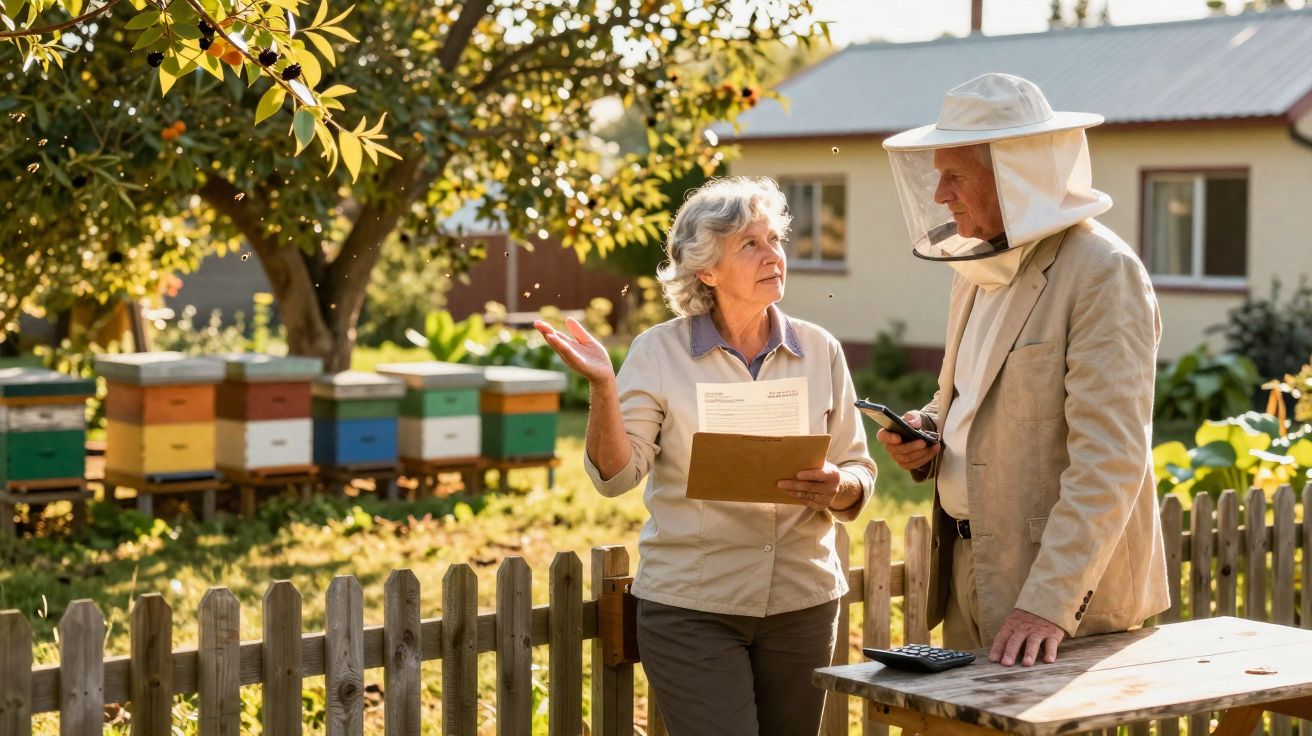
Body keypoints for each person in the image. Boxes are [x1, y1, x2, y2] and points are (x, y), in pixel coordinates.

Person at [535, 176, 877, 736]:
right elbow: (617, 476)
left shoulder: (821, 350)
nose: (774, 256)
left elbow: (859, 466)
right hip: (694, 609)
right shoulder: (658, 351)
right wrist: (602, 388)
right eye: (751, 244)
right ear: (706, 270)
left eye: (775, 240)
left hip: (804, 602)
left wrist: (839, 485)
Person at [875, 73, 1169, 668]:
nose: (939, 195)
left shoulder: (1101, 271)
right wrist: (929, 431)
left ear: (1018, 175)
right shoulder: (976, 264)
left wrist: (1048, 603)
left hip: (1055, 608)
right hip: (970, 569)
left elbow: (1110, 459)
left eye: (955, 175)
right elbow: (963, 396)